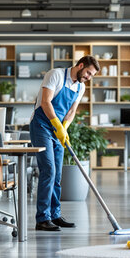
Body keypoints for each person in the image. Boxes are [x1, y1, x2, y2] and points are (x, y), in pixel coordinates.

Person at [30, 56, 100, 231]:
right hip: (41, 126)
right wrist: (56, 125)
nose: (89, 78)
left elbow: (72, 111)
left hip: (58, 128)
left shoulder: (80, 87)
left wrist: (64, 128)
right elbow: (46, 102)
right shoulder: (56, 75)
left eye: (92, 76)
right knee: (49, 170)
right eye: (88, 73)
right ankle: (42, 218)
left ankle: (55, 214)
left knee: (58, 174)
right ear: (81, 65)